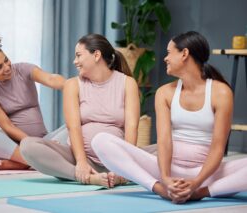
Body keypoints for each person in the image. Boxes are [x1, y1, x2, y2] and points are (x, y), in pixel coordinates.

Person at [91, 31, 247, 203]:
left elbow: (218, 147)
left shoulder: (221, 92)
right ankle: (160, 190)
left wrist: (196, 183)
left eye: (169, 52)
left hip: (206, 174)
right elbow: (164, 141)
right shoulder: (164, 93)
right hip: (166, 171)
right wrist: (165, 179)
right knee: (100, 140)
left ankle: (201, 193)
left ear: (184, 54)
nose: (165, 58)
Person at [20, 34, 140, 187]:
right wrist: (81, 162)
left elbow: (132, 127)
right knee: (28, 146)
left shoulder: (127, 83)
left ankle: (122, 175)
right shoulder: (73, 85)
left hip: (116, 158)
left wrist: (126, 163)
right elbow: (73, 127)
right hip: (79, 158)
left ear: (96, 55)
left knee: (170, 150)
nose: (74, 61)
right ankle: (86, 177)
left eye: (78, 55)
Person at [0, 28, 67, 170]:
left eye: (6, 60)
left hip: (45, 142)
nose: (7, 67)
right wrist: (31, 144)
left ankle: (26, 163)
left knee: (79, 125)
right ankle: (35, 161)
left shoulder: (24, 69)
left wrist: (71, 85)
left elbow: (51, 79)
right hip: (14, 148)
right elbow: (6, 126)